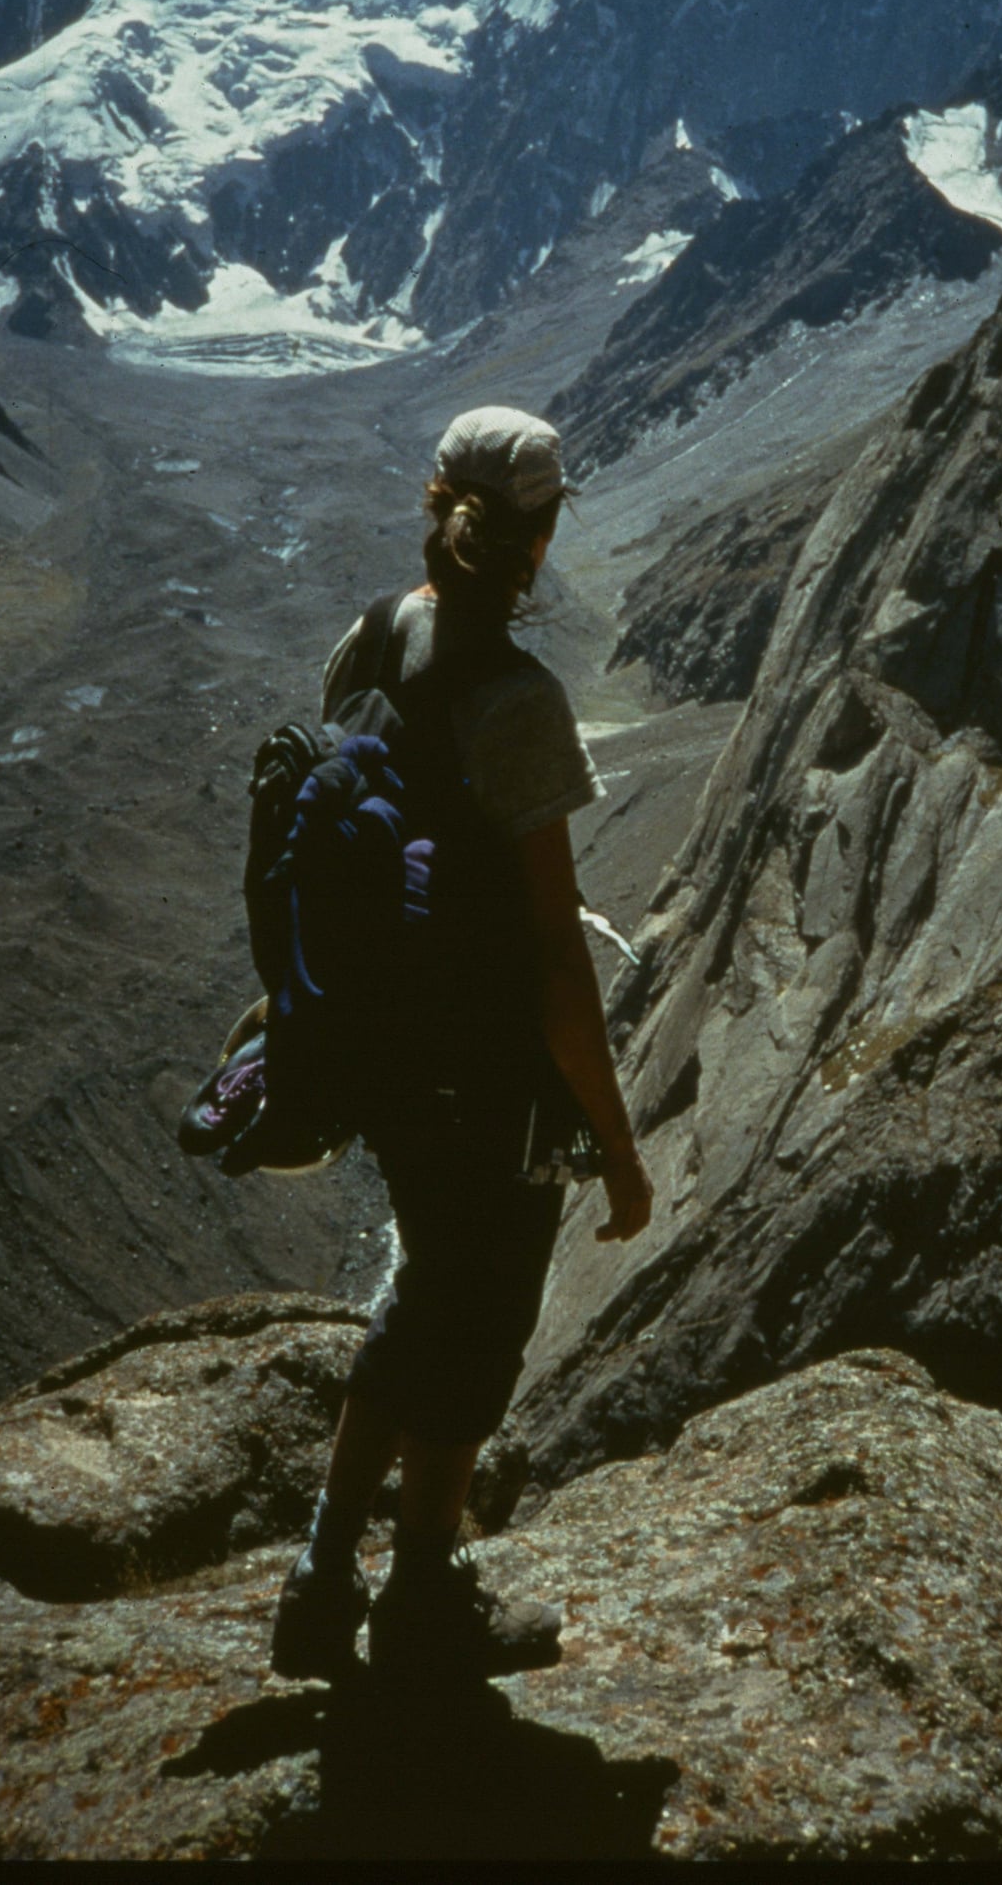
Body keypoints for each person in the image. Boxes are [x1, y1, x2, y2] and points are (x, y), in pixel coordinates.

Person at [271, 405, 654, 1681]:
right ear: (538, 539)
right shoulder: (520, 700)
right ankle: (423, 1599)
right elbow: (555, 955)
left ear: (436, 500)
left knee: (422, 1285)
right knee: (479, 1319)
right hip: (483, 1070)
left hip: (380, 1045)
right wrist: (616, 1142)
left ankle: (322, 1578)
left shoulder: (373, 633)